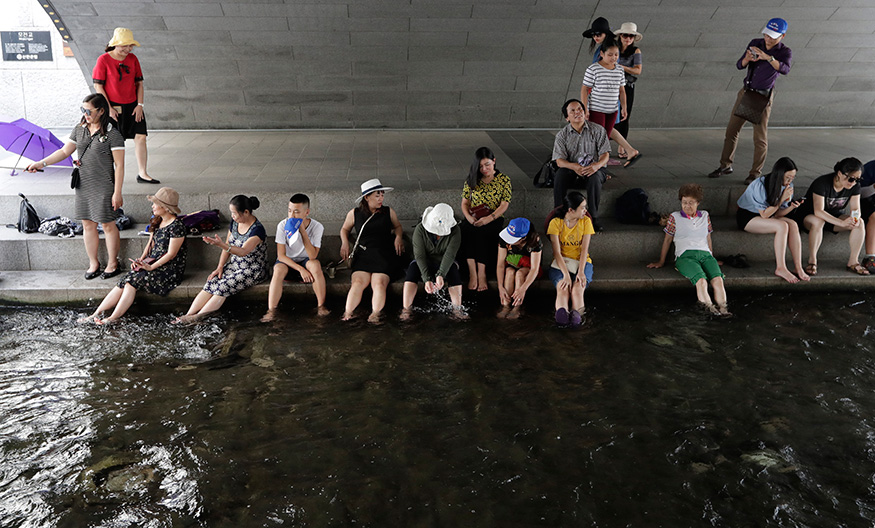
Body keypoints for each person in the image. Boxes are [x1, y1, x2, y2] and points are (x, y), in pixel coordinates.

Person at [26, 93, 125, 280]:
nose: (85, 114)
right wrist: (41, 163)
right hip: (84, 182)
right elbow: (64, 151)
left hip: (104, 184)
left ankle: (113, 263)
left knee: (107, 223)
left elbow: (119, 165)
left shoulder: (113, 134)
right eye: (83, 110)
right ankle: (93, 263)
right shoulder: (79, 129)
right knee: (87, 224)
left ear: (101, 111)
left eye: (89, 111)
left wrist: (117, 192)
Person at [78, 188, 186, 324]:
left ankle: (112, 318)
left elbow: (171, 254)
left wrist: (151, 267)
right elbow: (150, 245)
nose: (152, 206)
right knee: (126, 279)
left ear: (165, 207)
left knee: (131, 282)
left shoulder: (177, 226)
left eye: (155, 203)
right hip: (152, 263)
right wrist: (141, 260)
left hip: (169, 269)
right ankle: (95, 314)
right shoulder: (157, 221)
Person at [708, 18, 792, 183]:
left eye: (773, 36)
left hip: (763, 96)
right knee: (731, 131)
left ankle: (755, 173)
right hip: (746, 92)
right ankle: (725, 165)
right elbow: (739, 65)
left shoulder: (784, 51)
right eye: (767, 34)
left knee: (760, 137)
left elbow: (785, 69)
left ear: (782, 36)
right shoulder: (755, 43)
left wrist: (767, 57)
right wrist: (748, 59)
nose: (768, 39)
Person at [174, 195, 267, 324]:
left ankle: (198, 317)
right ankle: (188, 314)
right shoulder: (235, 223)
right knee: (212, 281)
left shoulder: (257, 230)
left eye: (234, 213)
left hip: (253, 269)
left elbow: (243, 251)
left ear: (246, 212)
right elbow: (228, 246)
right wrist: (220, 267)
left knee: (223, 286)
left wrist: (220, 244)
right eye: (231, 213)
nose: (232, 216)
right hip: (235, 265)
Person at [648, 184, 731, 316]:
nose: (687, 206)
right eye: (684, 202)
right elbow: (667, 240)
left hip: (706, 255)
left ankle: (724, 310)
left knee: (718, 280)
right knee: (701, 281)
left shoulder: (705, 216)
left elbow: (708, 238)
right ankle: (711, 310)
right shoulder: (674, 217)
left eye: (691, 203)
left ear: (698, 203)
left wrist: (712, 257)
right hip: (685, 256)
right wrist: (661, 261)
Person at [91, 28, 158, 184]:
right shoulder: (103, 60)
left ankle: (142, 173)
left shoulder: (132, 59)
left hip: (133, 105)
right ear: (115, 44)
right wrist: (108, 109)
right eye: (124, 46)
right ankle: (108, 174)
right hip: (111, 107)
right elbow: (98, 87)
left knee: (141, 137)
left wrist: (140, 104)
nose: (128, 49)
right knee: (111, 140)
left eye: (130, 46)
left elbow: (139, 83)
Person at [736, 157, 810, 283]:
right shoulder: (760, 184)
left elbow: (779, 213)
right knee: (782, 226)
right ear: (779, 174)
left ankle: (798, 267)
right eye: (788, 178)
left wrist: (792, 206)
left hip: (770, 215)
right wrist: (781, 199)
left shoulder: (788, 186)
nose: (790, 181)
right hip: (748, 216)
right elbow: (765, 215)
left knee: (792, 224)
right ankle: (780, 267)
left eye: (793, 177)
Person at [340, 179, 405, 323]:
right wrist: (345, 242)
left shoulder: (388, 211)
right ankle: (347, 313)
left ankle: (375, 314)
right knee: (357, 282)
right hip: (364, 254)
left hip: (384, 254)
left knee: (379, 283)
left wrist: (398, 237)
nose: (381, 198)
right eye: (377, 195)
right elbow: (345, 229)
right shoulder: (354, 213)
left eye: (382, 195)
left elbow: (398, 227)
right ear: (366, 197)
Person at [789, 157, 868, 276]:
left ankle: (853, 262)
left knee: (860, 223)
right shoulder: (822, 183)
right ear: (840, 173)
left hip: (833, 218)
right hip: (809, 216)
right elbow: (818, 211)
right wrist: (841, 223)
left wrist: (854, 219)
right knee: (818, 221)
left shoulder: (854, 187)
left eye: (858, 179)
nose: (853, 183)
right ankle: (812, 261)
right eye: (851, 179)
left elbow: (855, 209)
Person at [263, 193, 329, 321]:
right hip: (288, 262)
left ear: (307, 212)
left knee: (315, 264)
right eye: (289, 211)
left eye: (297, 212)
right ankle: (271, 311)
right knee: (278, 270)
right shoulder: (283, 225)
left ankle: (321, 306)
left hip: (306, 261)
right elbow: (281, 255)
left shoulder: (317, 227)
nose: (292, 216)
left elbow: (313, 255)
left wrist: (303, 232)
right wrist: (300, 269)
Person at [581, 35, 641, 167]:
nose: (614, 58)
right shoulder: (593, 69)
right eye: (610, 55)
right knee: (598, 138)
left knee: (605, 139)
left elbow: (622, 91)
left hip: (612, 110)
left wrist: (623, 108)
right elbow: (585, 90)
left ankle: (601, 166)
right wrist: (585, 108)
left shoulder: (619, 69)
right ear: (602, 54)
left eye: (616, 55)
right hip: (597, 109)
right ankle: (597, 166)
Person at [551, 99, 611, 231]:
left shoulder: (598, 130)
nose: (577, 112)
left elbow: (605, 155)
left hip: (594, 169)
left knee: (595, 177)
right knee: (560, 174)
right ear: (567, 118)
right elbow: (559, 161)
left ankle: (593, 217)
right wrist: (575, 167)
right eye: (572, 110)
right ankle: (559, 213)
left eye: (580, 109)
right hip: (573, 169)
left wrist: (596, 165)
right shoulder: (562, 135)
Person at [400, 203, 466, 321]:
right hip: (425, 261)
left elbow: (450, 255)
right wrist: (426, 279)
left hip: (445, 262)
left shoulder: (456, 231)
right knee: (412, 271)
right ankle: (406, 309)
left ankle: (457, 309)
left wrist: (441, 274)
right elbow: (420, 255)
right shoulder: (420, 229)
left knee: (453, 271)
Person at [461, 147, 512, 291]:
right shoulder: (472, 179)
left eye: (487, 164)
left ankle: (481, 273)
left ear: (494, 161)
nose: (484, 169)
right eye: (481, 166)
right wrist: (469, 218)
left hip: (494, 217)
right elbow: (465, 203)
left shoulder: (504, 180)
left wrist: (489, 219)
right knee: (466, 231)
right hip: (475, 216)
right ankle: (472, 272)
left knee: (483, 232)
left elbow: (504, 204)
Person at [547, 191, 594, 327]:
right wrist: (566, 275)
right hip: (561, 264)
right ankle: (561, 317)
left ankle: (577, 318)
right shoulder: (555, 223)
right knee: (563, 287)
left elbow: (585, 249)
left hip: (582, 262)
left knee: (578, 289)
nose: (585, 211)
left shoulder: (586, 222)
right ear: (571, 210)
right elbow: (557, 252)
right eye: (583, 208)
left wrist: (581, 272)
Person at [496, 218, 543, 319]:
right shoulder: (504, 238)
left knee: (520, 273)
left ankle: (517, 307)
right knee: (509, 272)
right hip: (512, 264)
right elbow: (500, 264)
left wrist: (523, 289)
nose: (508, 240)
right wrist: (500, 287)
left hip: (529, 268)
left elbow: (534, 269)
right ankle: (506, 305)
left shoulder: (534, 240)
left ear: (523, 238)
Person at [613, 22, 643, 150]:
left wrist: (621, 67)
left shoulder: (635, 51)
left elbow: (638, 70)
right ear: (620, 36)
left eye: (631, 36)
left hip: (627, 86)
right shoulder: (614, 49)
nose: (628, 39)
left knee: (625, 114)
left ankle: (622, 146)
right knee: (611, 113)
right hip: (613, 86)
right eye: (626, 35)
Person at [859, 160, 875, 273]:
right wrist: (873, 188)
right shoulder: (870, 168)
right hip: (869, 203)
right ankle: (870, 257)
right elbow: (856, 191)